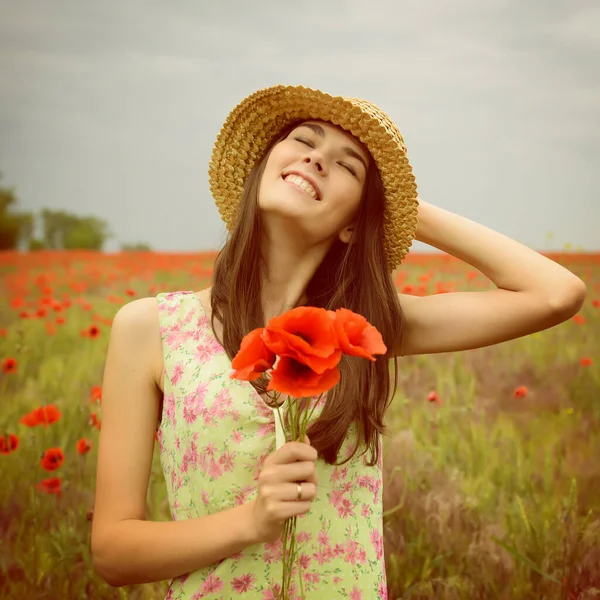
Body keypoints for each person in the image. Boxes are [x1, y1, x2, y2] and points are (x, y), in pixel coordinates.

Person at [90, 84, 586, 599]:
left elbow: (555, 294)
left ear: (353, 223)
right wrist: (250, 522)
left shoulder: (364, 330)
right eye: (304, 139)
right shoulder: (151, 328)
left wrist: (402, 206)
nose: (316, 158)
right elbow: (113, 551)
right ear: (262, 168)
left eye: (348, 166)